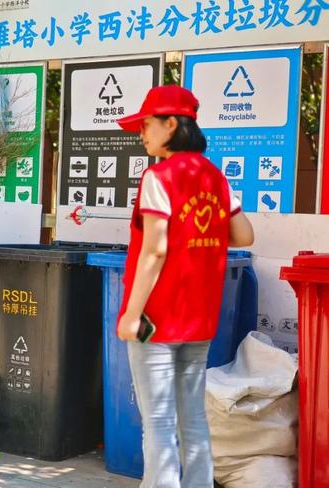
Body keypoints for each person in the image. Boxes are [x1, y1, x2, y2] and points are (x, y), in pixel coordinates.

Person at [115, 86, 254, 487]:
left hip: (157, 319)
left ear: (171, 124)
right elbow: (243, 235)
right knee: (192, 417)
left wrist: (132, 312)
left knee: (157, 420)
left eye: (146, 125)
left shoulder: (158, 176)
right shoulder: (214, 177)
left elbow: (155, 250)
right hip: (199, 318)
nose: (142, 134)